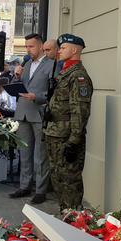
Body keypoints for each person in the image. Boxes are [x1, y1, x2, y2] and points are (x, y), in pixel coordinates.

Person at [43, 34, 92, 211]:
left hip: (66, 137)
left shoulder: (78, 77)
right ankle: (65, 213)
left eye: (63, 48)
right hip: (55, 133)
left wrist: (73, 141)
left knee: (70, 180)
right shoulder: (64, 73)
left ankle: (74, 219)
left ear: (74, 50)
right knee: (58, 178)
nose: (60, 50)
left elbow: (80, 111)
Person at [8, 34, 54, 203]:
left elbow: (53, 91)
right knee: (24, 153)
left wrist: (38, 96)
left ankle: (40, 189)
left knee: (40, 155)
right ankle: (24, 186)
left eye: (31, 46)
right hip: (23, 112)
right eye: (26, 46)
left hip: (39, 112)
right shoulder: (26, 64)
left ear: (41, 46)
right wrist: (17, 76)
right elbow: (19, 87)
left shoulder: (51, 65)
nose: (28, 49)